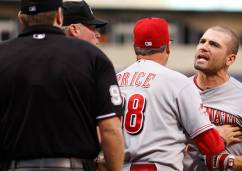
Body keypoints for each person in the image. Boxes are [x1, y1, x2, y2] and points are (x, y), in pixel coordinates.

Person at [0, 0, 124, 171]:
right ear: (59, 16)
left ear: (21, 18)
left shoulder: (3, 55)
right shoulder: (92, 57)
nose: (97, 34)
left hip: (14, 166)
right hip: (72, 166)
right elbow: (110, 129)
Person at [117, 17, 229, 171]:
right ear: (167, 47)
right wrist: (220, 136)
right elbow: (212, 146)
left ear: (135, 47)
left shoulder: (115, 80)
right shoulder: (177, 82)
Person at [184, 26, 242, 171]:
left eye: (214, 44)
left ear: (230, 59)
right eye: (202, 41)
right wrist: (214, 138)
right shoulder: (177, 91)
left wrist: (232, 162)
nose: (204, 47)